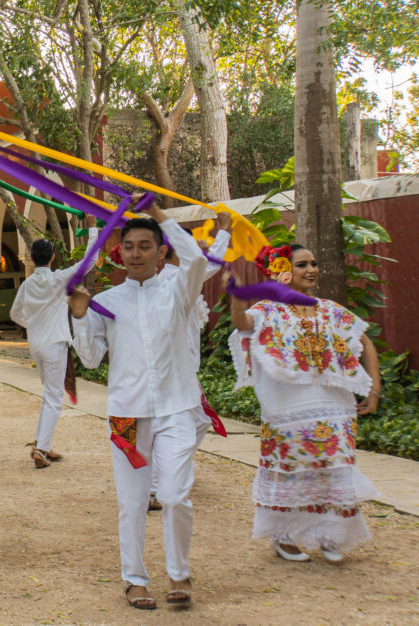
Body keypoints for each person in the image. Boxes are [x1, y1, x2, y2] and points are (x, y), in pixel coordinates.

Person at [69, 199, 206, 610]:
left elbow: (197, 258)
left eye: (145, 246)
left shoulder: (180, 288)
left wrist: (162, 215)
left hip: (177, 407)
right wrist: (78, 316)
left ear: (162, 251)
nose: (135, 254)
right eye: (129, 246)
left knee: (175, 494)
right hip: (127, 412)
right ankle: (134, 580)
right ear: (120, 251)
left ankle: (178, 572)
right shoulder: (108, 300)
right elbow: (91, 358)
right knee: (131, 501)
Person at [228, 244, 380, 562]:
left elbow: (364, 341)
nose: (311, 269)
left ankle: (331, 534)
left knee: (333, 471)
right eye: (301, 265)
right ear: (283, 270)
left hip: (335, 408)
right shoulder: (268, 310)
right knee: (290, 471)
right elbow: (243, 324)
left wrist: (374, 389)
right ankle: (284, 537)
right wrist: (236, 297)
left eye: (313, 263)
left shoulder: (328, 308)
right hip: (287, 410)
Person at [146, 212, 233, 511]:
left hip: (178, 367)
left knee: (196, 421)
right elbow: (207, 263)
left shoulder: (173, 276)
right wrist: (224, 232)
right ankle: (157, 485)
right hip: (169, 367)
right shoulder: (171, 277)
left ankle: (165, 475)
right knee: (175, 423)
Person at [9, 223, 91, 469]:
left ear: (32, 258)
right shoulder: (58, 279)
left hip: (37, 345)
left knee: (49, 396)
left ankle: (41, 444)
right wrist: (95, 230)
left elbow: (15, 314)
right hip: (54, 343)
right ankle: (42, 450)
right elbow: (90, 260)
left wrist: (32, 323)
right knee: (54, 398)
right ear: (52, 257)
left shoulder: (27, 285)